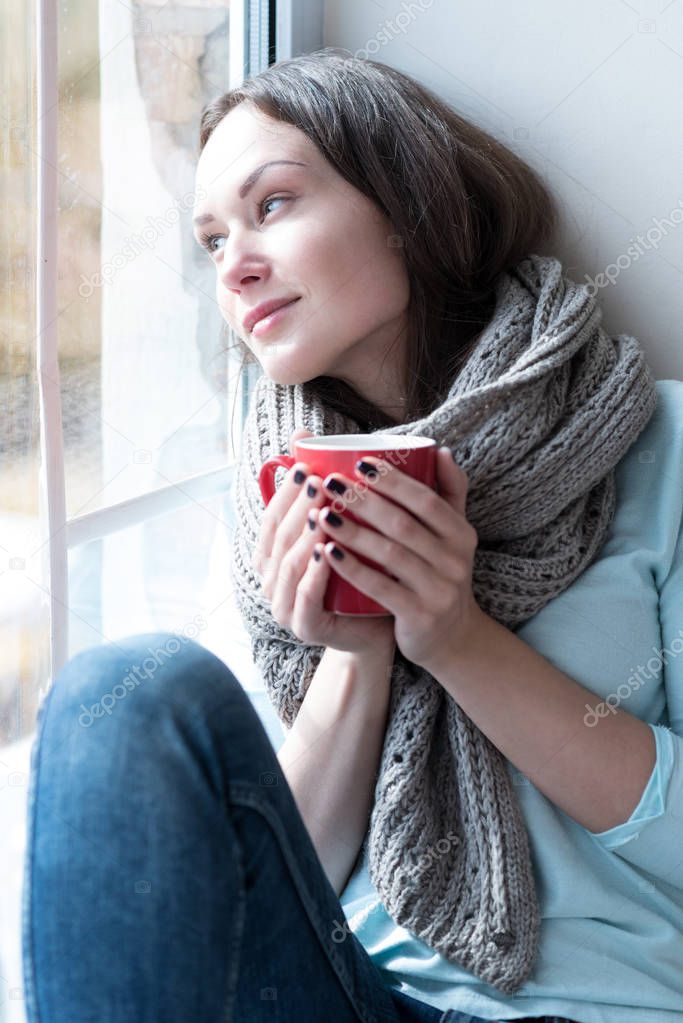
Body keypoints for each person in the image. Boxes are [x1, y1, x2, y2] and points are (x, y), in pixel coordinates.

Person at [21, 48, 683, 1023]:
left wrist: (456, 640)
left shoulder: (654, 441)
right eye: (210, 241)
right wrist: (356, 652)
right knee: (114, 697)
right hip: (344, 997)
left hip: (606, 1007)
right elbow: (290, 872)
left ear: (406, 206)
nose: (234, 264)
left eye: (272, 205)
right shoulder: (271, 495)